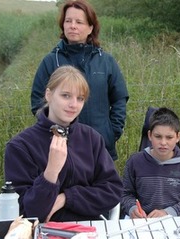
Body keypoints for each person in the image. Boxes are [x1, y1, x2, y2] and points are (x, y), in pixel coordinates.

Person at [4, 65, 123, 223]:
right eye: (66, 96)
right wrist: (51, 173)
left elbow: (113, 190)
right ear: (49, 95)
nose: (73, 104)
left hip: (90, 229)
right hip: (43, 230)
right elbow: (28, 213)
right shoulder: (21, 146)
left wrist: (67, 198)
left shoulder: (91, 138)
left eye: (80, 98)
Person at [30, 0, 129, 161]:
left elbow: (119, 98)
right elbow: (37, 102)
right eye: (68, 21)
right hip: (62, 148)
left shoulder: (106, 61)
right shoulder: (50, 61)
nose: (72, 26)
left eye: (79, 22)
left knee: (103, 186)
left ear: (90, 27)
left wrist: (112, 132)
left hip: (101, 146)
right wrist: (55, 131)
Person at [121, 107, 180, 218]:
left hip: (174, 221)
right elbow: (125, 194)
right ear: (149, 135)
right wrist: (132, 208)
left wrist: (167, 212)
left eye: (169, 137)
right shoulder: (135, 161)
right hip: (142, 221)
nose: (163, 142)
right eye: (158, 136)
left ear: (178, 137)